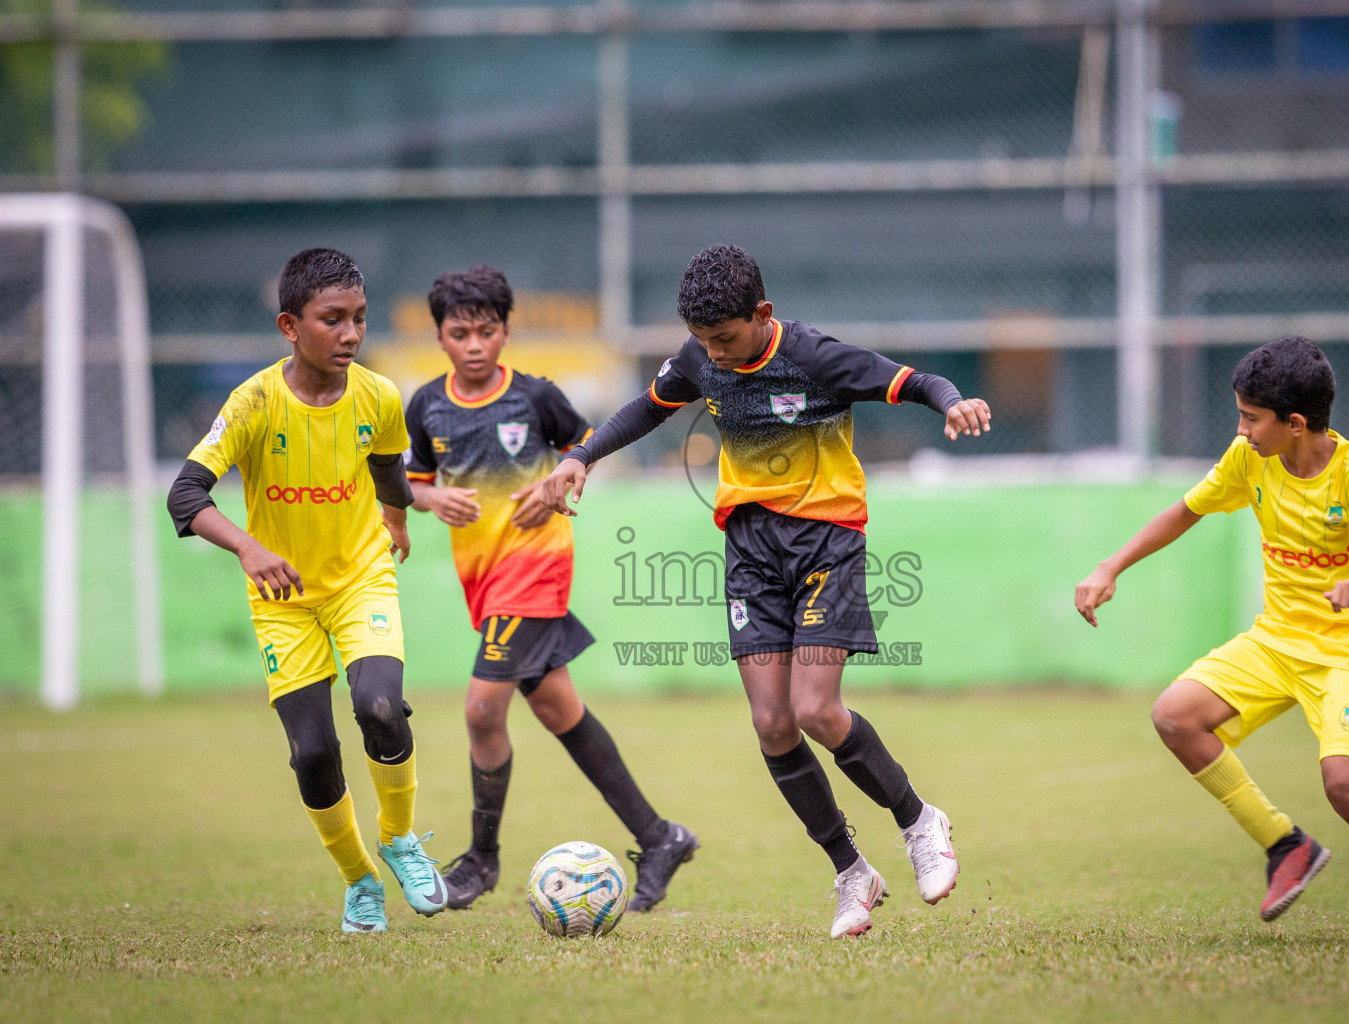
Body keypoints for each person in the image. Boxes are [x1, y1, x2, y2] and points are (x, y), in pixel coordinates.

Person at [524, 244, 989, 938]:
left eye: (725, 339)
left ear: (761, 314)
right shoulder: (699, 357)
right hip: (749, 551)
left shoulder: (815, 357)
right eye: (702, 341)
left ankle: (920, 821)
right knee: (772, 725)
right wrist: (579, 458)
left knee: (815, 711)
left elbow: (916, 382)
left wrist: (953, 402)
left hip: (827, 543)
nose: (713, 353)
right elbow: (648, 408)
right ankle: (850, 871)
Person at [1074, 336, 1349, 943]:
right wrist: (1110, 567)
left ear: (1295, 423)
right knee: (1175, 716)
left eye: (1251, 418)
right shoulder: (1251, 459)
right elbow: (1186, 510)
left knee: (1347, 787)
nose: (1241, 430)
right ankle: (1285, 844)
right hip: (1275, 641)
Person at [165, 248, 446, 934]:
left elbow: (387, 469)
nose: (350, 334)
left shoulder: (378, 396)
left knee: (381, 707)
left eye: (359, 319)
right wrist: (249, 547)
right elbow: (185, 495)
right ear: (291, 326)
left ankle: (401, 839)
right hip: (284, 601)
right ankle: (360, 883)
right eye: (333, 320)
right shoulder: (254, 402)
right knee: (313, 754)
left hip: (360, 580)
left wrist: (399, 521)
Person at [404, 265, 697, 913]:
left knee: (482, 709)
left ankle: (481, 861)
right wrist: (429, 498)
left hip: (536, 566)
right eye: (460, 333)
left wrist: (561, 481)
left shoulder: (535, 397)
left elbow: (584, 444)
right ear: (440, 338)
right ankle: (660, 837)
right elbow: (413, 480)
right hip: (482, 579)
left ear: (506, 332)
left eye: (486, 331)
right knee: (558, 710)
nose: (474, 344)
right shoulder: (425, 404)